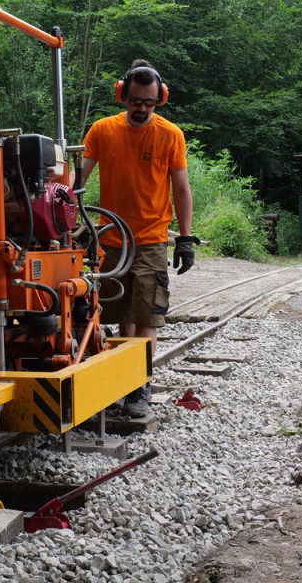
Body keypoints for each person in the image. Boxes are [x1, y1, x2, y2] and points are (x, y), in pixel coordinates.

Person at [81, 59, 198, 418]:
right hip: (111, 236)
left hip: (150, 238)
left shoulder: (170, 135)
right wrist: (73, 222)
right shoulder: (102, 131)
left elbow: (180, 188)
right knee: (118, 314)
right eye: (135, 102)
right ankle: (119, 379)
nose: (141, 109)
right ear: (122, 95)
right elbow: (78, 181)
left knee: (147, 314)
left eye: (149, 103)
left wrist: (186, 238)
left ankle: (139, 385)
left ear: (160, 98)